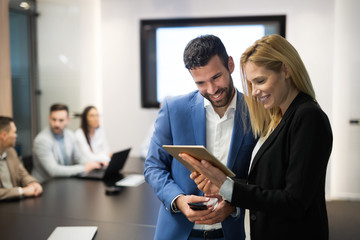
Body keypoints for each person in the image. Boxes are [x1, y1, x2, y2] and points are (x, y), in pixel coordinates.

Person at [180, 34, 333, 240]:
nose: (254, 93)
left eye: (260, 81)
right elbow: (269, 184)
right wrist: (220, 182)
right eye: (251, 84)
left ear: (286, 69)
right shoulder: (279, 116)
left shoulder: (308, 117)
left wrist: (228, 187)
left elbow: (293, 202)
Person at [144, 35, 257, 240]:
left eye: (216, 77)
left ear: (230, 64)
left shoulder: (257, 113)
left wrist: (233, 205)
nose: (212, 90)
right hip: (177, 233)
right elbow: (153, 166)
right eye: (201, 83)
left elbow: (260, 178)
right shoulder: (173, 109)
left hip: (229, 233)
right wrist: (178, 200)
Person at [32, 103, 102, 183]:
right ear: (49, 118)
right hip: (44, 184)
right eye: (53, 119)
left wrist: (94, 164)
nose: (56, 124)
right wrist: (84, 168)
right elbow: (53, 171)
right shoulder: (42, 140)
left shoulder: (70, 135)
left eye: (61, 120)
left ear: (68, 120)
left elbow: (78, 158)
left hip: (63, 182)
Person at [0, 116, 43, 200]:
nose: (16, 135)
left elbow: (22, 173)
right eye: (14, 132)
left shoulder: (10, 151)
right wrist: (21, 191)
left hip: (15, 203)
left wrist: (33, 183)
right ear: (4, 136)